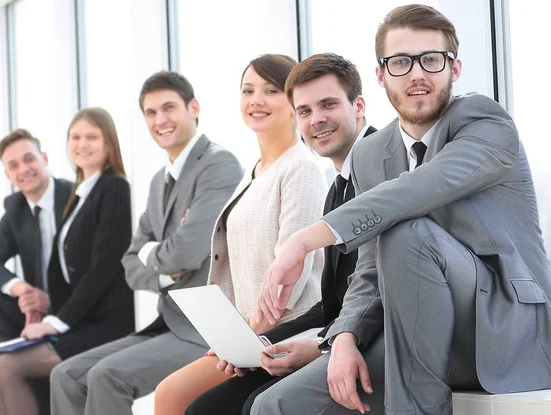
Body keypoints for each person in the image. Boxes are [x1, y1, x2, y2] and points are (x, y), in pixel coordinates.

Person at [253, 4, 551, 415]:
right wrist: (344, 339)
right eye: (400, 62)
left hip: (499, 329)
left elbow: (418, 189)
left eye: (431, 59)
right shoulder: (372, 153)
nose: (416, 73)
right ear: (381, 75)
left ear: (455, 68)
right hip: (408, 332)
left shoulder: (486, 123)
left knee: (406, 231)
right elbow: (370, 267)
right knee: (276, 404)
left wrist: (304, 240)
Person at [185, 53, 377, 415]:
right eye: (305, 110)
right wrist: (254, 341)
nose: (315, 119)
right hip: (305, 334)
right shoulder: (337, 185)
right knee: (206, 407)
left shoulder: (333, 171)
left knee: (244, 406)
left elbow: (370, 287)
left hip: (344, 338)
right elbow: (338, 297)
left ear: (359, 105)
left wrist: (316, 344)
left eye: (328, 105)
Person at [49, 71, 243, 415]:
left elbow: (186, 250)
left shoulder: (218, 165)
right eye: (151, 113)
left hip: (206, 328)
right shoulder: (157, 182)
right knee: (66, 375)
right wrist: (166, 269)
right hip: (168, 320)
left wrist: (153, 250)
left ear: (193, 108)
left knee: (107, 376)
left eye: (169, 108)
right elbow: (130, 266)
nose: (160, 120)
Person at [153, 54, 328, 415]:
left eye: (270, 90)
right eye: (248, 90)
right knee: (170, 395)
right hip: (247, 333)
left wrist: (246, 335)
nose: (256, 100)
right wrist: (229, 336)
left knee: (174, 397)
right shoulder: (254, 172)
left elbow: (289, 276)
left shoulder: (302, 169)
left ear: (294, 102)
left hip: (285, 332)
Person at [0, 107, 135, 415]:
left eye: (92, 137)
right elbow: (61, 269)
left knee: (9, 368)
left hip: (106, 323)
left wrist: (55, 322)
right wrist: (40, 310)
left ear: (109, 143)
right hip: (80, 317)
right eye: (76, 137)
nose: (83, 144)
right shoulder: (80, 194)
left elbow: (102, 268)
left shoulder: (114, 187)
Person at [0, 129, 73, 414]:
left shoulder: (75, 198)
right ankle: (24, 355)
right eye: (13, 165)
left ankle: (24, 366)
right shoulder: (16, 208)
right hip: (37, 311)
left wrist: (49, 301)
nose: (23, 169)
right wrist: (23, 290)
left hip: (76, 308)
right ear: (7, 174)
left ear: (45, 158)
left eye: (29, 159)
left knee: (0, 366)